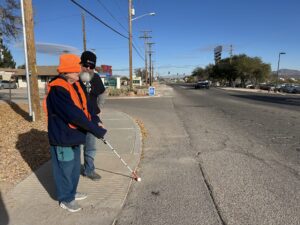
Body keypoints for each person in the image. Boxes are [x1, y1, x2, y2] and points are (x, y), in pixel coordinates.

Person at [45, 54, 107, 212]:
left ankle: (71, 191)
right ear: (67, 71)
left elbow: (86, 107)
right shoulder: (58, 88)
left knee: (73, 167)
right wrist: (94, 130)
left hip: (74, 134)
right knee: (65, 168)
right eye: (76, 69)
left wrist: (95, 120)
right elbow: (73, 114)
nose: (80, 71)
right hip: (62, 135)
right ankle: (65, 199)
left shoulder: (75, 84)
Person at [79, 51, 106, 181]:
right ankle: (72, 173)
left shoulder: (95, 78)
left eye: (91, 66)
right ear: (81, 63)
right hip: (76, 119)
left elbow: (102, 92)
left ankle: (89, 170)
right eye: (86, 65)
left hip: (91, 118)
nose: (88, 69)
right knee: (74, 147)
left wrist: (99, 108)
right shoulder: (75, 77)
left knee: (90, 146)